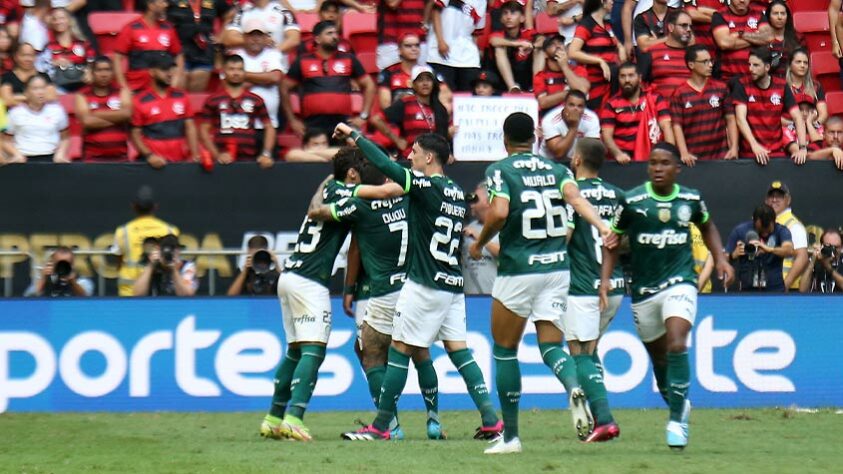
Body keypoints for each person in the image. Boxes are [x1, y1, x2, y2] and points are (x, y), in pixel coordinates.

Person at [334, 126, 502, 442]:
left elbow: (386, 168)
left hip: (425, 283)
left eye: (413, 151)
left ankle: (382, 426)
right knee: (459, 351)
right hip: (453, 284)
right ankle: (491, 419)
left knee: (399, 350)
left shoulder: (424, 184)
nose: (410, 156)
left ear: (428, 156)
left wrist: (356, 136)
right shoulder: (454, 191)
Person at [466, 113, 616, 454]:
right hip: (557, 270)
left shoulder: (500, 170)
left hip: (519, 269)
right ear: (534, 139)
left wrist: (479, 242)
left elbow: (500, 212)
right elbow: (577, 201)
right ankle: (573, 386)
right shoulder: (560, 170)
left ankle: (512, 437)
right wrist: (603, 227)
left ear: (505, 140)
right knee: (550, 346)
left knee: (505, 351)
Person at [600, 141, 734, 450]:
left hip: (680, 283)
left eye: (664, 163)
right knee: (660, 360)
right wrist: (605, 281)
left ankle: (676, 419)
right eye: (653, 163)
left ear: (677, 168)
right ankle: (676, 403)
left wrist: (722, 258)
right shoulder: (632, 201)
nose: (657, 169)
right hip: (644, 290)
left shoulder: (690, 198)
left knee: (676, 342)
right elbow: (612, 242)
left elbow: (708, 226)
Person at [308, 162, 444, 440]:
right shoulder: (409, 196)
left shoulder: (360, 206)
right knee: (420, 353)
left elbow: (318, 212)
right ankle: (434, 421)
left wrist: (331, 180)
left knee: (370, 353)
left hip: (382, 290)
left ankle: (390, 426)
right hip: (415, 285)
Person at [258, 147, 361, 442]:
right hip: (310, 281)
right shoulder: (349, 196)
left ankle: (273, 417)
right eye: (361, 169)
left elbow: (319, 199)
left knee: (294, 350)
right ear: (352, 173)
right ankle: (295, 419)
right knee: (314, 351)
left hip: (289, 276)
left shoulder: (327, 186)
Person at [564, 137, 625, 442]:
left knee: (579, 353)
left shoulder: (572, 195)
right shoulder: (617, 195)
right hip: (615, 286)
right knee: (592, 350)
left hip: (583, 286)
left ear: (576, 160)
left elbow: (565, 236)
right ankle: (593, 407)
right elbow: (626, 241)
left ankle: (603, 418)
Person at [281, 21, 375, 137]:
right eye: (329, 33)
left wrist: (363, 116)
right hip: (312, 123)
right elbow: (284, 88)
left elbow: (369, 85)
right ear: (317, 39)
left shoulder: (349, 59)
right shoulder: (302, 60)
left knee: (342, 154)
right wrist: (292, 120)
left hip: (343, 122)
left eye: (336, 33)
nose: (334, 36)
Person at [198, 54, 275, 168]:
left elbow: (269, 126)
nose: (236, 73)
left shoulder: (256, 100)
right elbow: (204, 129)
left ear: (244, 72)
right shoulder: (213, 100)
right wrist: (217, 155)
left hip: (249, 160)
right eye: (231, 69)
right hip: (221, 162)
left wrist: (266, 153)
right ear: (224, 72)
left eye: (240, 69)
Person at [732, 47, 805, 165]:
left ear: (767, 67)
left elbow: (797, 117)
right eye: (749, 64)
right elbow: (740, 119)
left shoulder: (781, 85)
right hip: (750, 153)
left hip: (777, 153)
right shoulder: (742, 85)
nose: (751, 69)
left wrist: (802, 148)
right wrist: (754, 145)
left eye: (756, 65)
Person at [669, 44, 737, 165]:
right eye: (705, 62)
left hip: (720, 157)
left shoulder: (721, 88)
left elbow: (730, 119)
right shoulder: (679, 93)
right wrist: (683, 152)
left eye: (711, 61)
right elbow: (677, 125)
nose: (710, 65)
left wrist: (734, 147)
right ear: (691, 65)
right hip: (692, 160)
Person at [130, 53, 200, 168]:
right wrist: (149, 156)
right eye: (164, 69)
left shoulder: (182, 97)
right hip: (152, 166)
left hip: (179, 164)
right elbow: (135, 134)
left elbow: (190, 127)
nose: (169, 73)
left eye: (171, 69)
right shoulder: (140, 101)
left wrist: (195, 154)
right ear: (152, 72)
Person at [112, 185, 180, 297]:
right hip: (161, 293)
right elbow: (175, 261)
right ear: (155, 207)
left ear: (133, 206)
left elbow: (118, 262)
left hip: (129, 293)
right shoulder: (171, 230)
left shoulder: (122, 231)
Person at [600, 62, 673, 164]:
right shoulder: (611, 104)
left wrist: (670, 155)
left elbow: (667, 127)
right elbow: (606, 136)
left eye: (631, 76)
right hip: (622, 162)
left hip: (651, 160)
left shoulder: (655, 99)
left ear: (639, 78)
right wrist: (618, 154)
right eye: (622, 76)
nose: (627, 80)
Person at [369, 65, 450, 156]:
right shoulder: (405, 103)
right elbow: (376, 119)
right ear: (413, 84)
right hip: (410, 157)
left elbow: (443, 137)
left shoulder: (439, 108)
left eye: (428, 80)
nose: (425, 83)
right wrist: (397, 140)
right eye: (420, 80)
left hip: (434, 158)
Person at [113, 0, 184, 92]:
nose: (166, 5)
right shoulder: (131, 28)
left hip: (162, 90)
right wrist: (124, 87)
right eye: (162, 2)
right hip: (137, 89)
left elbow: (179, 56)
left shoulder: (168, 28)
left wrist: (175, 81)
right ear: (151, 5)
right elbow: (117, 58)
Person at [569, 0, 627, 110]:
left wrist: (621, 49)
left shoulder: (607, 25)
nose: (613, 2)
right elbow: (572, 52)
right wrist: (599, 61)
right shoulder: (586, 24)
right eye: (610, 0)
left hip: (612, 80)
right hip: (595, 82)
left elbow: (617, 44)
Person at [230, 18, 284, 132]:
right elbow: (229, 86)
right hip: (241, 123)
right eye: (251, 35)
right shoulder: (235, 55)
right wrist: (264, 78)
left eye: (259, 35)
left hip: (269, 123)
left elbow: (275, 77)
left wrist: (243, 75)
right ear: (244, 37)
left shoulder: (273, 54)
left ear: (265, 38)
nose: (255, 39)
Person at [166, 0, 233, 92]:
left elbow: (230, 13)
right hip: (179, 52)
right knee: (178, 92)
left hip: (204, 53)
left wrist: (220, 37)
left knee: (196, 94)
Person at [75, 56, 132, 162]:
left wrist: (96, 114)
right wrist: (117, 119)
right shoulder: (82, 95)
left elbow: (127, 114)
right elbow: (87, 122)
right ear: (92, 72)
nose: (104, 74)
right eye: (99, 70)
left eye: (107, 70)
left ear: (113, 72)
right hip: (92, 158)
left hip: (121, 158)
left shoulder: (122, 91)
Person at [726, 204, 794, 292]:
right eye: (761, 230)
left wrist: (769, 249)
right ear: (753, 221)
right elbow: (722, 259)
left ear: (774, 221)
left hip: (775, 289)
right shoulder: (740, 231)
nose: (765, 233)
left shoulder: (781, 230)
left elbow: (789, 250)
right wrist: (733, 255)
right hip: (747, 289)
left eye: (768, 229)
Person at [2, 74, 69, 163]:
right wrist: (16, 154)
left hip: (51, 158)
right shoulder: (15, 113)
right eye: (35, 89)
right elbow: (5, 141)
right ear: (26, 92)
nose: (40, 92)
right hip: (24, 158)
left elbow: (65, 138)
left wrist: (60, 154)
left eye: (43, 88)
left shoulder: (57, 111)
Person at [222, 0, 300, 74]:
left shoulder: (284, 12)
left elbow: (294, 39)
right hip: (246, 68)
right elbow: (228, 39)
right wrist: (258, 41)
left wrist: (273, 54)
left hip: (274, 68)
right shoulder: (241, 12)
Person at [426, 0, 485, 92]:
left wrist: (476, 52)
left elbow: (476, 31)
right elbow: (435, 11)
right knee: (443, 97)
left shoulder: (482, 2)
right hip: (441, 54)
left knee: (466, 97)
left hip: (467, 57)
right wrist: (440, 41)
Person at [711, 0, 771, 84]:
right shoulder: (720, 15)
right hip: (729, 79)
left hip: (755, 79)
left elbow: (768, 37)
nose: (742, 0)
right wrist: (755, 37)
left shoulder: (759, 13)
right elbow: (724, 43)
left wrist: (740, 34)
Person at [638, 9, 692, 101]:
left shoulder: (694, 53)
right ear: (670, 27)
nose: (689, 30)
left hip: (690, 109)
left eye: (690, 26)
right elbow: (640, 83)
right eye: (684, 26)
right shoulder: (652, 52)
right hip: (660, 110)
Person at [764, 181, 808, 291]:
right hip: (765, 288)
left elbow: (802, 257)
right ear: (766, 200)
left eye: (779, 196)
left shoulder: (794, 225)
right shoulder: (763, 223)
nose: (774, 200)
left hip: (786, 290)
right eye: (771, 196)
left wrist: (785, 285)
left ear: (788, 200)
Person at [489, 1, 542, 93]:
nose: (508, 17)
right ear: (501, 19)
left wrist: (531, 46)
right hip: (501, 79)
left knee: (540, 50)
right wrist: (520, 44)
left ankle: (537, 85)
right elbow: (494, 41)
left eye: (513, 13)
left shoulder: (527, 33)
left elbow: (543, 40)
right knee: (499, 48)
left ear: (522, 18)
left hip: (525, 75)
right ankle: (512, 87)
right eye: (505, 13)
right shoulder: (499, 33)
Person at [38, 7, 94, 93]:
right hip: (58, 86)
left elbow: (92, 59)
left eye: (62, 18)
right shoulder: (48, 45)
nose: (58, 22)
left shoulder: (82, 43)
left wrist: (90, 71)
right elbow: (40, 65)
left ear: (69, 20)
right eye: (55, 19)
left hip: (83, 83)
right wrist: (53, 62)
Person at [532, 34, 590, 116]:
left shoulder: (578, 69)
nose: (557, 46)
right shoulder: (541, 76)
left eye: (560, 42)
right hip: (552, 117)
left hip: (577, 117)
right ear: (545, 54)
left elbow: (583, 90)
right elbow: (543, 102)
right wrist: (569, 93)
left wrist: (564, 67)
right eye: (551, 44)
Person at [541, 89, 600, 161]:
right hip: (551, 162)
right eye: (571, 105)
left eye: (580, 106)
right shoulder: (550, 120)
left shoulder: (591, 119)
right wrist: (574, 127)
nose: (575, 109)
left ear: (584, 108)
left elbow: (591, 151)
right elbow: (559, 153)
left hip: (577, 162)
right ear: (564, 105)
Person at [461, 182, 498, 295]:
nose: (472, 205)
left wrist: (480, 238)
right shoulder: (468, 229)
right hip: (468, 298)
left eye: (476, 200)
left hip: (494, 298)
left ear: (489, 202)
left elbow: (508, 256)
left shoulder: (503, 229)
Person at [132, 234, 198, 296]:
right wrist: (150, 266)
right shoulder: (151, 267)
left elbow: (187, 296)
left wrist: (174, 270)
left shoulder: (187, 266)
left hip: (179, 306)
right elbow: (138, 294)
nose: (169, 254)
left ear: (178, 251)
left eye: (173, 250)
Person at [375, 0, 429, 71]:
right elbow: (392, 3)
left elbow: (431, 2)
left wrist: (425, 20)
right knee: (390, 77)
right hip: (391, 40)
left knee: (421, 77)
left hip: (418, 38)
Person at [1, 42, 57, 108]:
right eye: (24, 55)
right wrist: (35, 97)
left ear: (35, 57)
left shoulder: (44, 76)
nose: (28, 59)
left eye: (31, 55)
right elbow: (6, 100)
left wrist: (17, 97)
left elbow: (52, 96)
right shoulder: (7, 77)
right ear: (16, 57)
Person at [27, 246, 94, 297]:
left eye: (66, 264)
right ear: (53, 263)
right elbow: (27, 298)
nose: (62, 267)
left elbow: (86, 299)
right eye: (59, 264)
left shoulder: (81, 281)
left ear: (72, 264)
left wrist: (73, 282)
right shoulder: (44, 280)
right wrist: (43, 279)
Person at [785, 49, 827, 129]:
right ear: (790, 65)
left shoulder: (816, 86)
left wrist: (814, 125)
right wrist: (795, 125)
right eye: (798, 62)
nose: (802, 65)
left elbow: (823, 114)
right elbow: (777, 116)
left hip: (813, 127)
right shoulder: (782, 86)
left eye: (805, 63)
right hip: (789, 128)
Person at [799, 228, 843, 293]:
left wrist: (828, 267)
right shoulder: (814, 261)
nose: (832, 250)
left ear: (842, 247)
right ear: (821, 246)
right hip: (817, 301)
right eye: (829, 247)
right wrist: (812, 261)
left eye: (836, 247)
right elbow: (802, 290)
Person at [767, 0, 802, 80]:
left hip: (791, 82)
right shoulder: (761, 40)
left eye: (783, 13)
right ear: (768, 16)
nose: (779, 17)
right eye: (775, 13)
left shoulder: (798, 38)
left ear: (787, 16)